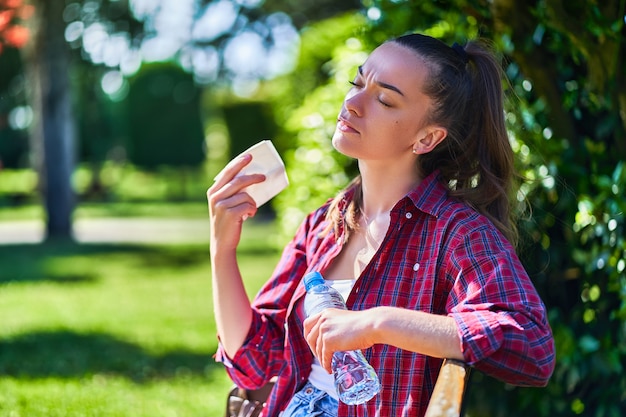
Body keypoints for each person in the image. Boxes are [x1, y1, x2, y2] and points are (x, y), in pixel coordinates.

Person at [207, 32, 556, 417]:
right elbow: (257, 363)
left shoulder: (456, 233)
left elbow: (531, 345)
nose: (352, 103)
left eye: (384, 99)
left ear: (426, 137)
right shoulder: (325, 223)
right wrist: (222, 250)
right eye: (357, 83)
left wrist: (377, 322)